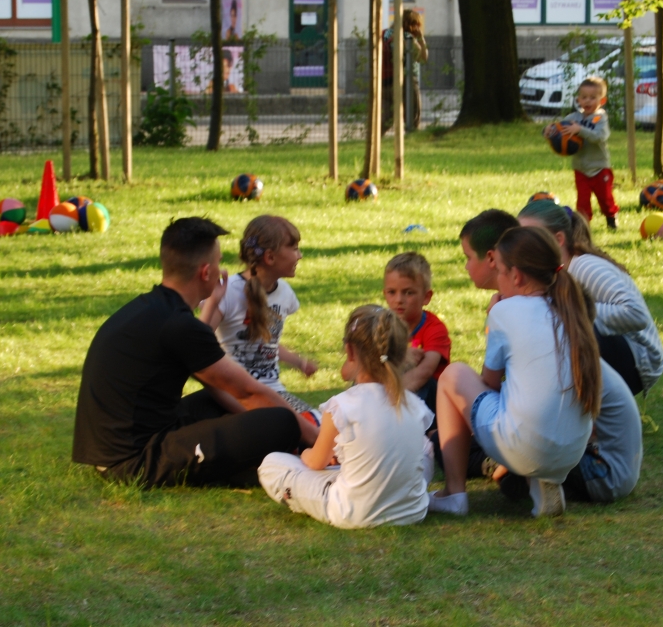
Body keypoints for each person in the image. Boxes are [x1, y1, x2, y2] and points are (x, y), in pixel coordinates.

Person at [72, 217, 315, 488]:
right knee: (282, 422)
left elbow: (230, 389)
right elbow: (248, 392)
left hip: (120, 445)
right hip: (133, 461)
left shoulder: (153, 308)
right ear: (206, 272)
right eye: (218, 262)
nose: (223, 269)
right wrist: (316, 439)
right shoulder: (179, 325)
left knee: (218, 401)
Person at [429, 223, 601, 518]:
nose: (498, 280)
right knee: (528, 402)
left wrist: (494, 316)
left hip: (522, 446)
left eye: (500, 272)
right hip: (572, 452)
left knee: (453, 376)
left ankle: (454, 493)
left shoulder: (504, 311)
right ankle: (541, 481)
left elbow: (489, 383)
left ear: (516, 276)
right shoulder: (571, 308)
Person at [258, 305, 435, 529]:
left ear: (350, 351)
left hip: (352, 512)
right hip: (412, 511)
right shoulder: (414, 404)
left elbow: (316, 462)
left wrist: (306, 454)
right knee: (425, 449)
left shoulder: (342, 406)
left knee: (271, 464)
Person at [517, 198, 663, 395]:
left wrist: (574, 308)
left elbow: (636, 314)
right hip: (616, 353)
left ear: (558, 239)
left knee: (562, 324)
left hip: (639, 360)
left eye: (532, 237)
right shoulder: (552, 272)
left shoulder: (585, 267)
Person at [200, 215, 318, 414]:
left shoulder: (285, 293)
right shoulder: (228, 291)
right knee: (302, 425)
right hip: (233, 394)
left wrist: (299, 362)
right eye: (294, 248)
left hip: (272, 391)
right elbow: (197, 341)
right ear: (270, 257)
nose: (300, 256)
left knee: (317, 422)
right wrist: (212, 302)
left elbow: (266, 344)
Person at [382, 252, 451, 414]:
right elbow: (356, 367)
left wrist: (385, 400)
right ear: (385, 294)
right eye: (392, 292)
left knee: (424, 382)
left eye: (408, 293)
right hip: (391, 395)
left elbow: (424, 372)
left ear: (426, 297)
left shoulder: (434, 328)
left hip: (430, 403)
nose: (399, 300)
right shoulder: (381, 326)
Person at [554, 76, 620, 230]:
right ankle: (583, 226)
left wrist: (580, 130)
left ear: (602, 100)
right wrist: (550, 131)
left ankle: (611, 216)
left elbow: (600, 137)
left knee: (605, 198)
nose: (587, 101)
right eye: (584, 97)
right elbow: (559, 128)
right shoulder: (573, 118)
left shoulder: (600, 118)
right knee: (582, 200)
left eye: (592, 97)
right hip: (581, 168)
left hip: (600, 167)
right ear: (578, 99)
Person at [382, 9, 429, 133]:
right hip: (406, 82)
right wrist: (421, 39)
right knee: (413, 118)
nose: (418, 27)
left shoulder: (385, 34)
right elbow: (422, 58)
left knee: (385, 119)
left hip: (385, 82)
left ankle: (374, 140)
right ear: (411, 24)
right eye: (417, 24)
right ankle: (412, 139)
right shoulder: (407, 37)